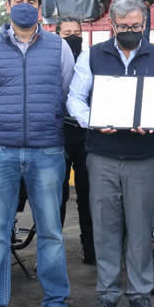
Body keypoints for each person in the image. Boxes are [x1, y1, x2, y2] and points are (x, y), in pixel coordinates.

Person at [0, 0, 74, 307]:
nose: (24, 5)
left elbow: (68, 92)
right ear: (9, 6)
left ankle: (55, 300)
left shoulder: (59, 47)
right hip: (0, 152)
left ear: (39, 8)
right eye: (18, 0)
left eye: (31, 0)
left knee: (52, 232)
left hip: (47, 151)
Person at [67, 0, 154, 307]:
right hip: (102, 155)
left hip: (143, 157)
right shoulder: (91, 56)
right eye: (125, 25)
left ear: (144, 24)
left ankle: (140, 291)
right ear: (112, 25)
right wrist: (93, 121)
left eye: (137, 25)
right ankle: (108, 292)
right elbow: (75, 99)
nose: (131, 30)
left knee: (142, 228)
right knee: (105, 227)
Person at [55, 18, 95, 266]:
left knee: (88, 196)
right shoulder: (49, 60)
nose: (73, 37)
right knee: (55, 199)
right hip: (57, 136)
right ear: (57, 35)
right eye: (67, 33)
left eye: (77, 32)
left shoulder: (90, 59)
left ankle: (91, 251)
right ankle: (51, 255)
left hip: (85, 136)